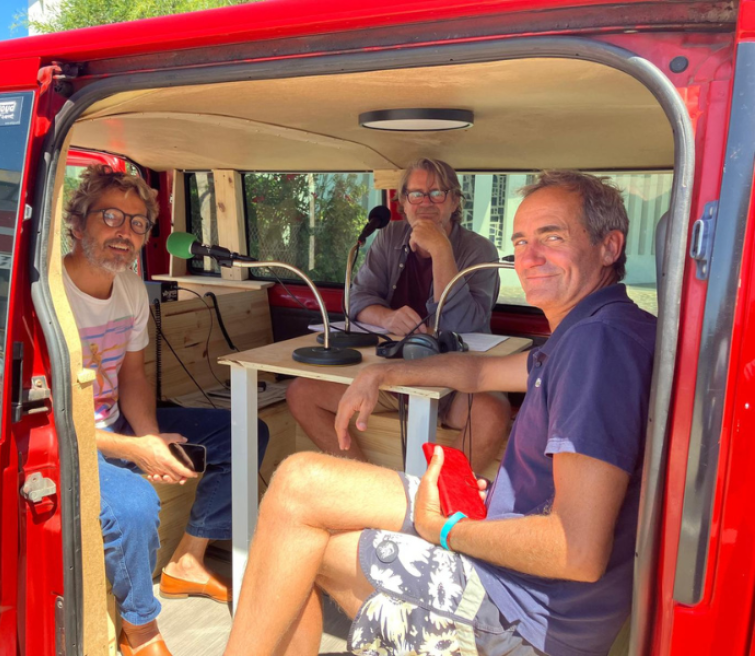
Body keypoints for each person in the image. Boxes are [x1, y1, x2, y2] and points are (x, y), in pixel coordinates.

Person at [225, 171, 656, 656]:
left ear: (609, 246)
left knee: (299, 522)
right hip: (519, 568)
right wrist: (383, 374)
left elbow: (577, 551)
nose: (529, 256)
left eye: (552, 237)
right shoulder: (596, 328)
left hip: (519, 615)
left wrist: (447, 530)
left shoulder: (599, 345)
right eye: (520, 241)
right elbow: (479, 371)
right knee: (300, 494)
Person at [62, 165, 269, 656]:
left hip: (116, 425)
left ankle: (187, 560)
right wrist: (134, 449)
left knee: (246, 432)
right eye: (111, 216)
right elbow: (53, 419)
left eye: (137, 223)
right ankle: (140, 628)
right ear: (77, 222)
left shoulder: (130, 288)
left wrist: (149, 436)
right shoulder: (49, 298)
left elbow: (133, 377)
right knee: (136, 505)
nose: (125, 232)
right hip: (67, 441)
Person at [286, 158, 508, 473]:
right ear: (403, 202)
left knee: (492, 412)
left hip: (454, 379)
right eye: (416, 194)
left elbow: (464, 324)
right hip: (390, 372)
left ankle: (437, 499)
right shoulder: (390, 237)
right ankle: (370, 491)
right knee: (302, 393)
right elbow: (357, 298)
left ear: (455, 201)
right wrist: (386, 318)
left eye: (437, 193)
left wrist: (441, 250)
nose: (426, 203)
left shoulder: (479, 250)